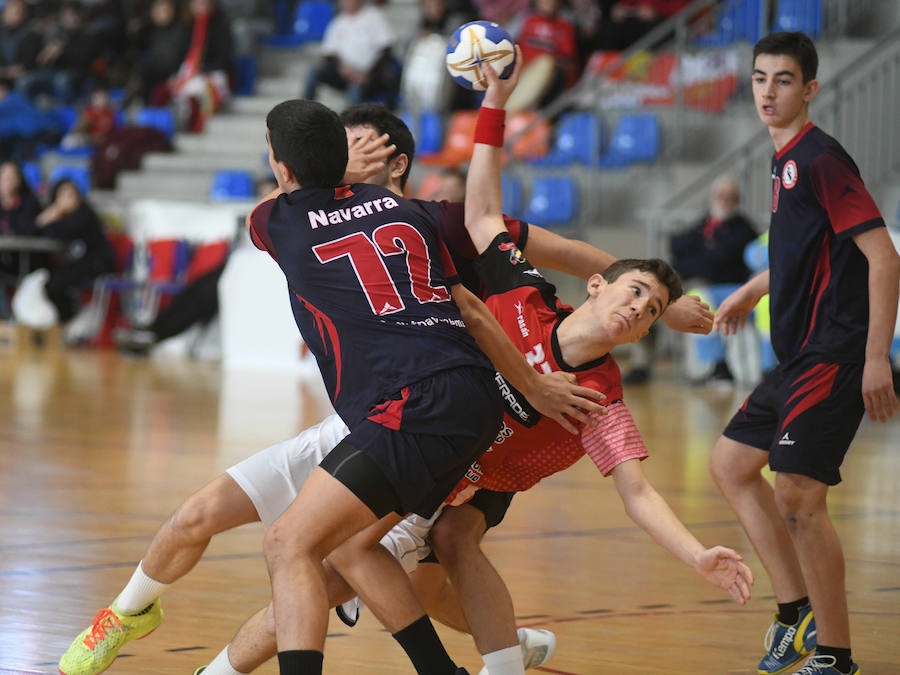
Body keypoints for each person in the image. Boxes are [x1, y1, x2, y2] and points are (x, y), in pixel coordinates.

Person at [55, 102, 711, 675]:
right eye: (342, 144)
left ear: (388, 160)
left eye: (358, 142)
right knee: (212, 520)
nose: (349, 154)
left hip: (433, 417)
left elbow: (565, 253)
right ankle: (122, 614)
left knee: (329, 557)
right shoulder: (313, 211)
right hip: (370, 415)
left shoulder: (434, 218)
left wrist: (665, 296)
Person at [708, 31, 900, 675]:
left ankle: (836, 655)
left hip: (835, 353)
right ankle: (795, 613)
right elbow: (803, 250)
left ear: (809, 89)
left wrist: (876, 358)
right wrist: (748, 289)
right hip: (795, 357)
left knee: (797, 495)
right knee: (732, 465)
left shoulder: (821, 158)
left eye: (783, 80)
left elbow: (883, 256)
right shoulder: (781, 158)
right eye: (760, 78)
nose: (768, 91)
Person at [625, 176, 758, 384]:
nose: (725, 201)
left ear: (738, 201)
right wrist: (706, 251)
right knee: (646, 303)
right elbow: (677, 245)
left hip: (718, 287)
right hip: (686, 283)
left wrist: (701, 254)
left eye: (731, 198)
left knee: (700, 296)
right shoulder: (704, 223)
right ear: (712, 197)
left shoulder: (744, 229)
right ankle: (641, 363)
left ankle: (717, 367)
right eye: (721, 196)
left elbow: (717, 262)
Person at [31, 178, 115, 326]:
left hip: (98, 262)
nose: (69, 198)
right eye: (64, 195)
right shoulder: (63, 217)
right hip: (78, 262)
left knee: (56, 282)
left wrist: (52, 215)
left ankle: (66, 321)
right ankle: (64, 320)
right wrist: (44, 219)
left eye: (72, 194)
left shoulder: (84, 214)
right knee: (50, 280)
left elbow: (65, 232)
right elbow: (40, 233)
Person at [302, 0, 400, 109]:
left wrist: (368, 73)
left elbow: (386, 50)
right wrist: (343, 69)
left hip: (371, 74)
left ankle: (350, 122)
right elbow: (329, 54)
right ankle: (306, 111)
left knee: (356, 86)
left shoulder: (374, 16)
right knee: (313, 73)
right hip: (345, 73)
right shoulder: (338, 21)